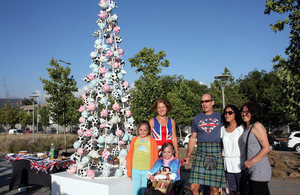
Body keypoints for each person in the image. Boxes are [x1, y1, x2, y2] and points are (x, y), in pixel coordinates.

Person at [184, 93, 226, 195]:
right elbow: (193, 137)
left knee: (214, 189)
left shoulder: (221, 117)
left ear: (212, 102)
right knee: (193, 187)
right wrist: (188, 155)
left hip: (215, 152)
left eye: (207, 101)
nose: (204, 104)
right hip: (201, 152)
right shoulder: (196, 118)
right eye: (202, 101)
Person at [240, 102, 271, 195]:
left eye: (247, 111)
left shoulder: (257, 126)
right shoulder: (246, 127)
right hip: (251, 169)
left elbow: (266, 148)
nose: (244, 114)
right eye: (242, 111)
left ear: (253, 113)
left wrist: (252, 161)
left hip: (259, 169)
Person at [126, 121, 159, 195]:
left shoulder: (152, 141)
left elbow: (155, 157)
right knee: (136, 189)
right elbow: (129, 155)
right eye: (141, 130)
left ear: (148, 131)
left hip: (147, 170)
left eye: (145, 130)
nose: (143, 132)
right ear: (138, 130)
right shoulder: (134, 140)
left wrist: (153, 171)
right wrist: (129, 169)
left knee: (144, 190)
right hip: (135, 170)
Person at [220, 105, 244, 195]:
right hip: (227, 163)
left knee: (241, 188)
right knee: (232, 189)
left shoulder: (241, 128)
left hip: (239, 163)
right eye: (225, 112)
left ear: (235, 114)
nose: (227, 114)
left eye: (230, 112)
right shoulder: (222, 129)